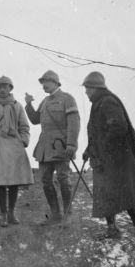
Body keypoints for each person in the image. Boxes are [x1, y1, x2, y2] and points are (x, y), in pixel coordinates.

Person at [81, 71, 135, 245]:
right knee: (104, 193)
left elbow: (118, 127)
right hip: (106, 157)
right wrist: (89, 149)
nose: (86, 92)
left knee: (127, 195)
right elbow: (97, 133)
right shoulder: (99, 103)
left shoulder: (107, 102)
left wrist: (104, 148)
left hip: (118, 158)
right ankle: (112, 228)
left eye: (87, 89)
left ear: (95, 88)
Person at [25, 70, 80, 224]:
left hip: (61, 145)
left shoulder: (67, 99)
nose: (43, 85)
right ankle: (55, 215)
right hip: (44, 147)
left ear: (55, 82)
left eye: (46, 82)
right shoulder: (44, 101)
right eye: (42, 83)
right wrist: (29, 104)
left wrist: (71, 144)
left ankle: (68, 214)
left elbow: (74, 123)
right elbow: (35, 120)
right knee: (45, 180)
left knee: (63, 179)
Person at [0, 76, 34, 227]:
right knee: (1, 183)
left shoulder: (17, 106)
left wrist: (23, 140)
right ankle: (3, 214)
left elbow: (24, 127)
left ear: (11, 88)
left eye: (6, 86)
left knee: (14, 182)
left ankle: (11, 212)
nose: (2, 89)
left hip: (14, 146)